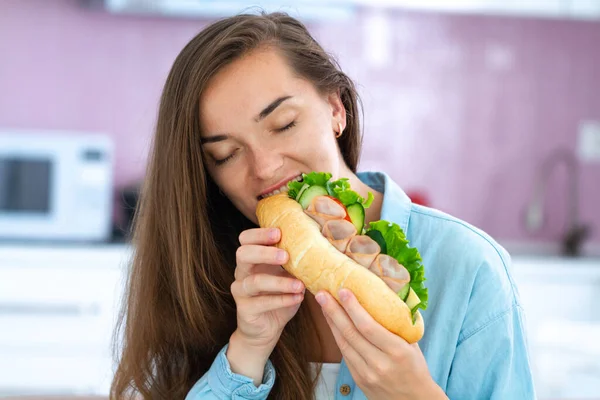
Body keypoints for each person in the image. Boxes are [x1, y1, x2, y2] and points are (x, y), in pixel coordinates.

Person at [110, 11, 536, 400]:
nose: (265, 167)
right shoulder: (203, 274)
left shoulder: (468, 265)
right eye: (226, 154)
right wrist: (247, 351)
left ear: (336, 108)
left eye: (284, 124)